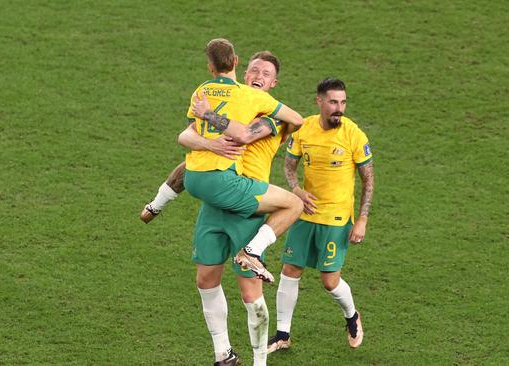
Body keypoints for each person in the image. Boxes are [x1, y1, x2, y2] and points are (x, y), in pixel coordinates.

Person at [143, 39, 303, 284]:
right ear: (243, 71)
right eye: (255, 70)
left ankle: (253, 252)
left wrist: (209, 115)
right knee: (205, 279)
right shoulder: (234, 98)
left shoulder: (273, 117)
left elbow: (246, 135)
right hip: (222, 187)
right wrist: (210, 143)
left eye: (266, 73)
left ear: (273, 83)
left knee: (250, 291)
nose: (259, 75)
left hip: (247, 197)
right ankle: (155, 205)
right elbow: (185, 136)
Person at [267, 78, 375, 353]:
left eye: (343, 102)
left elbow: (368, 180)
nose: (339, 108)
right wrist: (297, 190)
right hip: (305, 215)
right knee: (290, 270)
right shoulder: (304, 129)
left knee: (329, 281)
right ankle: (282, 334)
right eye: (333, 102)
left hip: (336, 219)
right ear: (320, 101)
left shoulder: (353, 135)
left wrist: (362, 219)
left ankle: (352, 316)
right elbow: (289, 165)